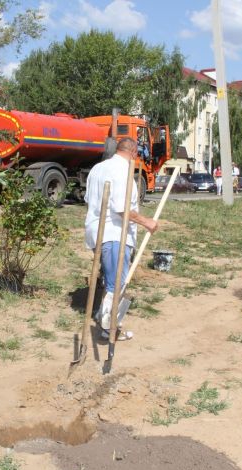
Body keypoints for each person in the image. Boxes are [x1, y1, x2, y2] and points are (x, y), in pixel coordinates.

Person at [84, 137, 159, 341]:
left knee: (111, 279)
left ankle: (106, 321)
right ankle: (108, 327)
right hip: (115, 233)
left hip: (96, 231)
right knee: (116, 283)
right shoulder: (122, 170)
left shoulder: (98, 168)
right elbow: (120, 208)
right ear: (134, 152)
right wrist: (146, 222)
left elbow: (88, 200)